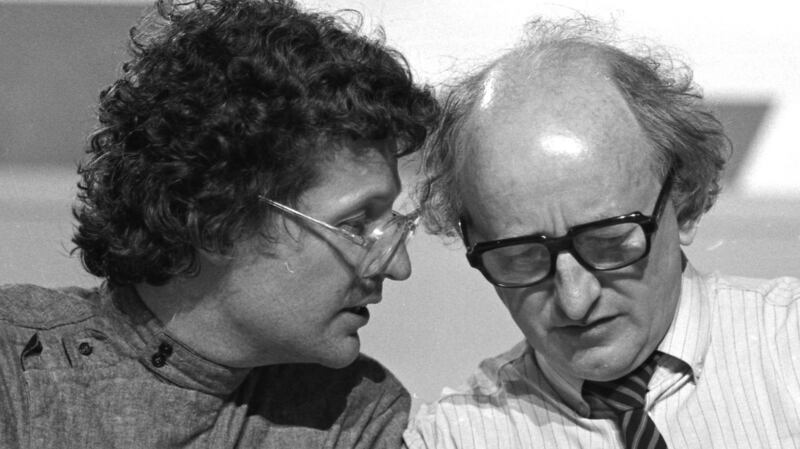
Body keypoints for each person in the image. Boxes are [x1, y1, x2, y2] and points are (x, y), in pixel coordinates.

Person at [0, 0, 438, 447]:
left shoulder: (354, 416)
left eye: (393, 221)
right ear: (218, 220)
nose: (397, 265)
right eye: (355, 225)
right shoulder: (15, 366)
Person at [404, 16, 800, 449]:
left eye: (608, 243)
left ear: (685, 201)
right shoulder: (453, 438)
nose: (575, 301)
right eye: (522, 257)